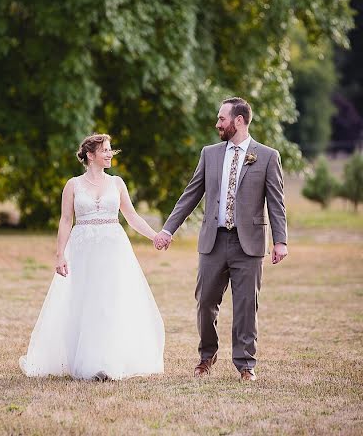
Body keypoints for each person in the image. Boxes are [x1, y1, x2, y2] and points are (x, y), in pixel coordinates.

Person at [154, 97, 288, 382]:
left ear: (238, 121)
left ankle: (245, 365)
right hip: (213, 241)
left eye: (222, 119)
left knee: (245, 306)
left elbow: (276, 202)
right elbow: (191, 194)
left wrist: (280, 241)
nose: (217, 124)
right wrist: (168, 229)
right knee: (205, 302)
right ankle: (207, 355)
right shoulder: (210, 154)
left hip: (248, 243)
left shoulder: (267, 156)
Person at [19, 133, 164, 381]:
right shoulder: (73, 185)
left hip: (113, 249)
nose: (110, 154)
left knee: (110, 302)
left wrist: (155, 236)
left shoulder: (117, 183)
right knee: (85, 303)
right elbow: (66, 220)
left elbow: (131, 217)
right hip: (83, 251)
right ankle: (86, 362)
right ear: (90, 154)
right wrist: (60, 255)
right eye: (105, 150)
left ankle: (107, 363)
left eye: (110, 150)